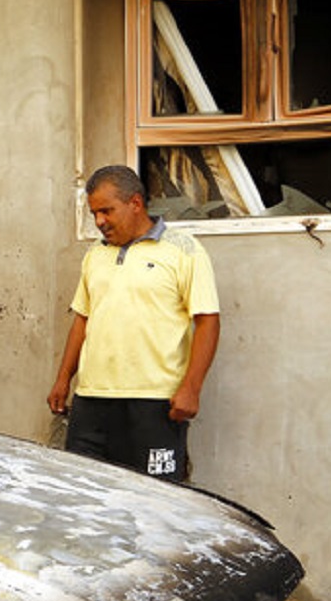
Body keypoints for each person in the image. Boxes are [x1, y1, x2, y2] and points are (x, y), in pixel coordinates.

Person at [47, 164, 219, 481]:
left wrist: (192, 388)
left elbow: (207, 321)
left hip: (154, 404)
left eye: (106, 211)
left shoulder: (184, 250)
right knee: (84, 495)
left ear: (135, 203)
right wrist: (63, 379)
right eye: (94, 213)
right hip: (92, 401)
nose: (99, 222)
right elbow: (83, 321)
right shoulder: (94, 256)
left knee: (157, 500)